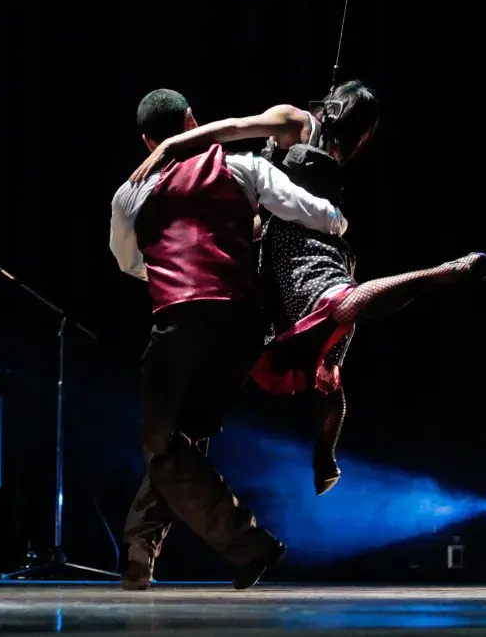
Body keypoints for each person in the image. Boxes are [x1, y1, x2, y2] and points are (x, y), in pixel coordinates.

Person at [129, 80, 486, 497]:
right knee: (327, 364)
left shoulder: (308, 130)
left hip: (303, 252)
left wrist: (169, 147)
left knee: (336, 325)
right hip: (307, 254)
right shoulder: (315, 136)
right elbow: (241, 155)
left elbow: (233, 136)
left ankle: (440, 273)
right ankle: (325, 454)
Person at [110, 88, 349, 591]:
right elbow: (312, 212)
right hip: (241, 328)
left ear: (148, 141)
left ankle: (249, 545)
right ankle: (139, 549)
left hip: (180, 324)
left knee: (163, 447)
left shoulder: (130, 194)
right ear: (193, 119)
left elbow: (129, 262)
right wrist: (337, 221)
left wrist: (174, 268)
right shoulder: (242, 167)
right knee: (179, 444)